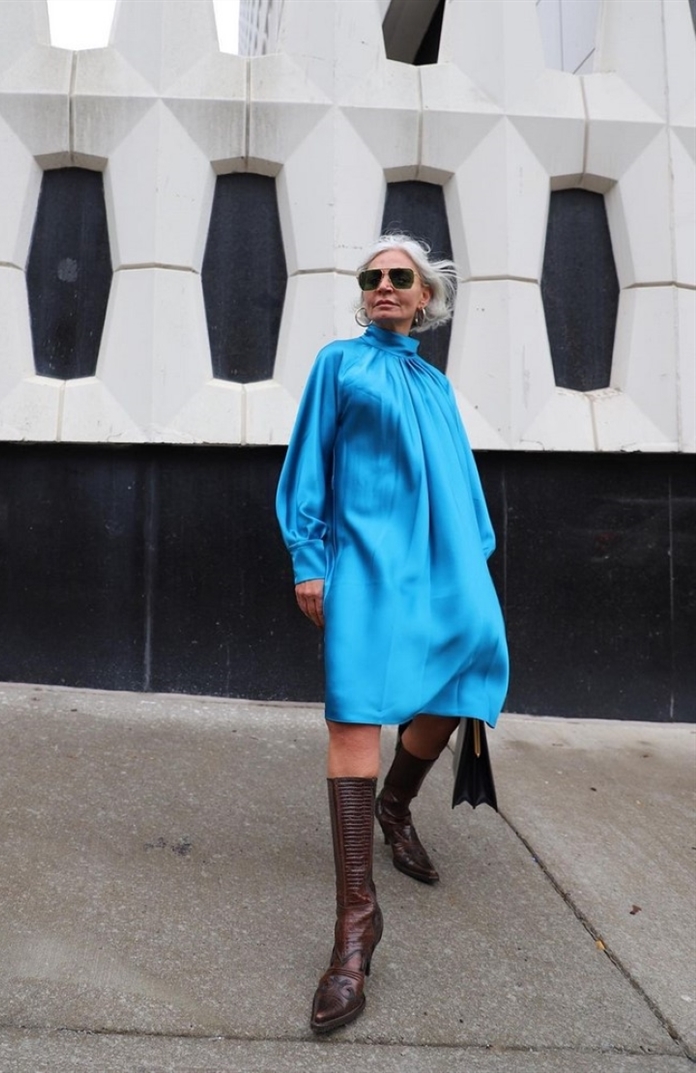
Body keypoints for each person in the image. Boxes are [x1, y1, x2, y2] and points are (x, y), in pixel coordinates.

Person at [275, 233, 509, 1034]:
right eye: (371, 275)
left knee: (468, 677)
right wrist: (309, 557)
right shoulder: (339, 364)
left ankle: (396, 804)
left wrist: (475, 560)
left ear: (424, 296)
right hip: (364, 564)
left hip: (443, 564)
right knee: (353, 716)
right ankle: (356, 923)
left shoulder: (435, 385)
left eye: (398, 275)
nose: (382, 284)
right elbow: (307, 463)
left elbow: (463, 482)